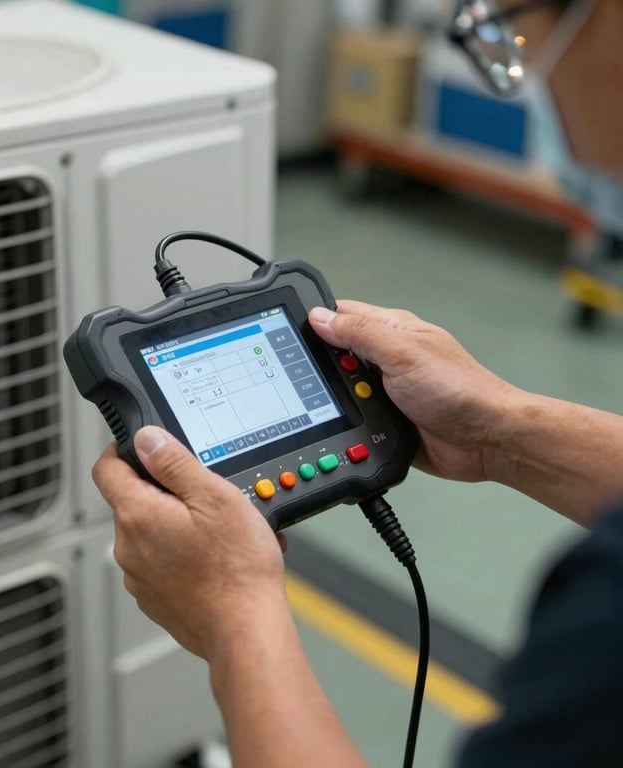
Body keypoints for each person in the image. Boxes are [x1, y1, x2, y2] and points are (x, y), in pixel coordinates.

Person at [91, 0, 623, 765]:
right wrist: (499, 434)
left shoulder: (605, 621)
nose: (522, 69)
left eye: (506, 27)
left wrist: (235, 617)